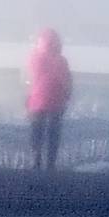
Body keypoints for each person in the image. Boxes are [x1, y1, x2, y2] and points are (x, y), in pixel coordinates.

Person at [25, 28, 72, 170]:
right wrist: (67, 95)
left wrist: (28, 99)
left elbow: (29, 79)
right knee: (53, 132)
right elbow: (66, 81)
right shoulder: (61, 61)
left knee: (36, 131)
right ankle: (50, 162)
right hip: (56, 102)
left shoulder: (34, 58)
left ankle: (36, 159)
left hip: (36, 101)